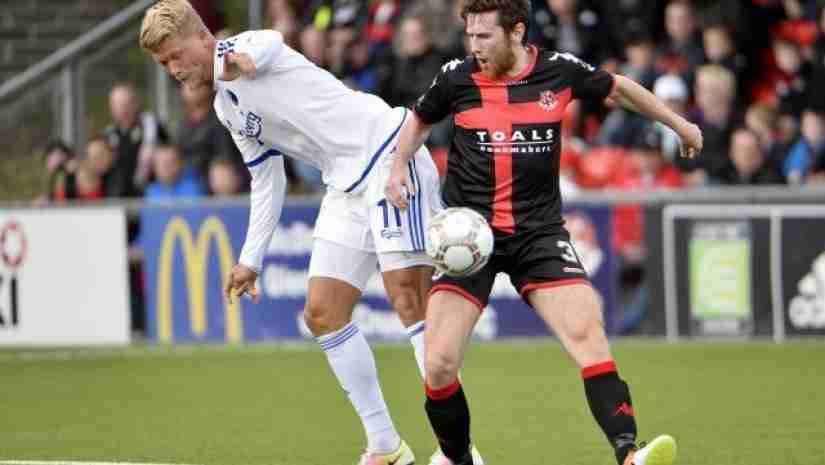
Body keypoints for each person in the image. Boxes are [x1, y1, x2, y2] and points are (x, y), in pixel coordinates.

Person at [139, 2, 464, 465]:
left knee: (408, 297)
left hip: (389, 152)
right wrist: (250, 258)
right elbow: (267, 179)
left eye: (175, 55)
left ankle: (459, 451)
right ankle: (386, 447)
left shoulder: (249, 47)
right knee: (322, 313)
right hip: (344, 183)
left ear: (201, 36)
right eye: (163, 63)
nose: (173, 69)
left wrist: (235, 61)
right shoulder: (225, 107)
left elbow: (267, 45)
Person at [384, 1, 703, 465]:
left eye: (484, 36)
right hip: (469, 241)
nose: (474, 47)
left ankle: (629, 454)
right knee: (438, 364)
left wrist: (679, 124)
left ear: (516, 32)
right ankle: (457, 458)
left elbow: (620, 90)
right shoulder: (456, 77)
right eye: (470, 36)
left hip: (539, 235)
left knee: (588, 337)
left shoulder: (558, 71)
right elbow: (418, 120)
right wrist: (398, 167)